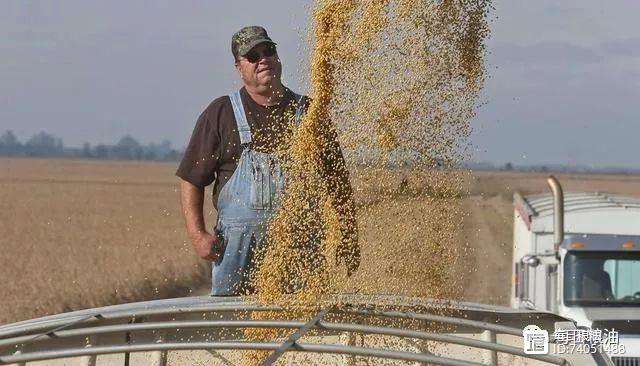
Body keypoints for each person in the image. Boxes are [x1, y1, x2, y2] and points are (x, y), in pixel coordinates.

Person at [176, 26, 359, 296]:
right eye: (253, 55)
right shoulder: (221, 113)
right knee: (236, 329)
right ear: (239, 66)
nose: (263, 59)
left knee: (301, 326)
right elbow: (192, 179)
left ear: (278, 57)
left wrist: (347, 234)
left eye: (268, 51)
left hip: (300, 246)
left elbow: (337, 180)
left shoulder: (309, 113)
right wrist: (198, 235)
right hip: (238, 251)